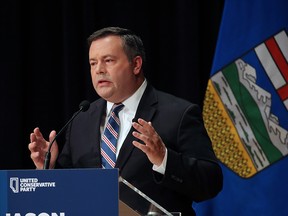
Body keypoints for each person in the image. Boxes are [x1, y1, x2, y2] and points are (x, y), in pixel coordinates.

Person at [28, 26, 223, 215]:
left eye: (108, 60)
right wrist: (49, 167)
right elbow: (72, 189)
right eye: (93, 63)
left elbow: (211, 183)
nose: (99, 70)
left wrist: (164, 159)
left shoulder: (178, 114)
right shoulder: (82, 118)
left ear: (136, 64)